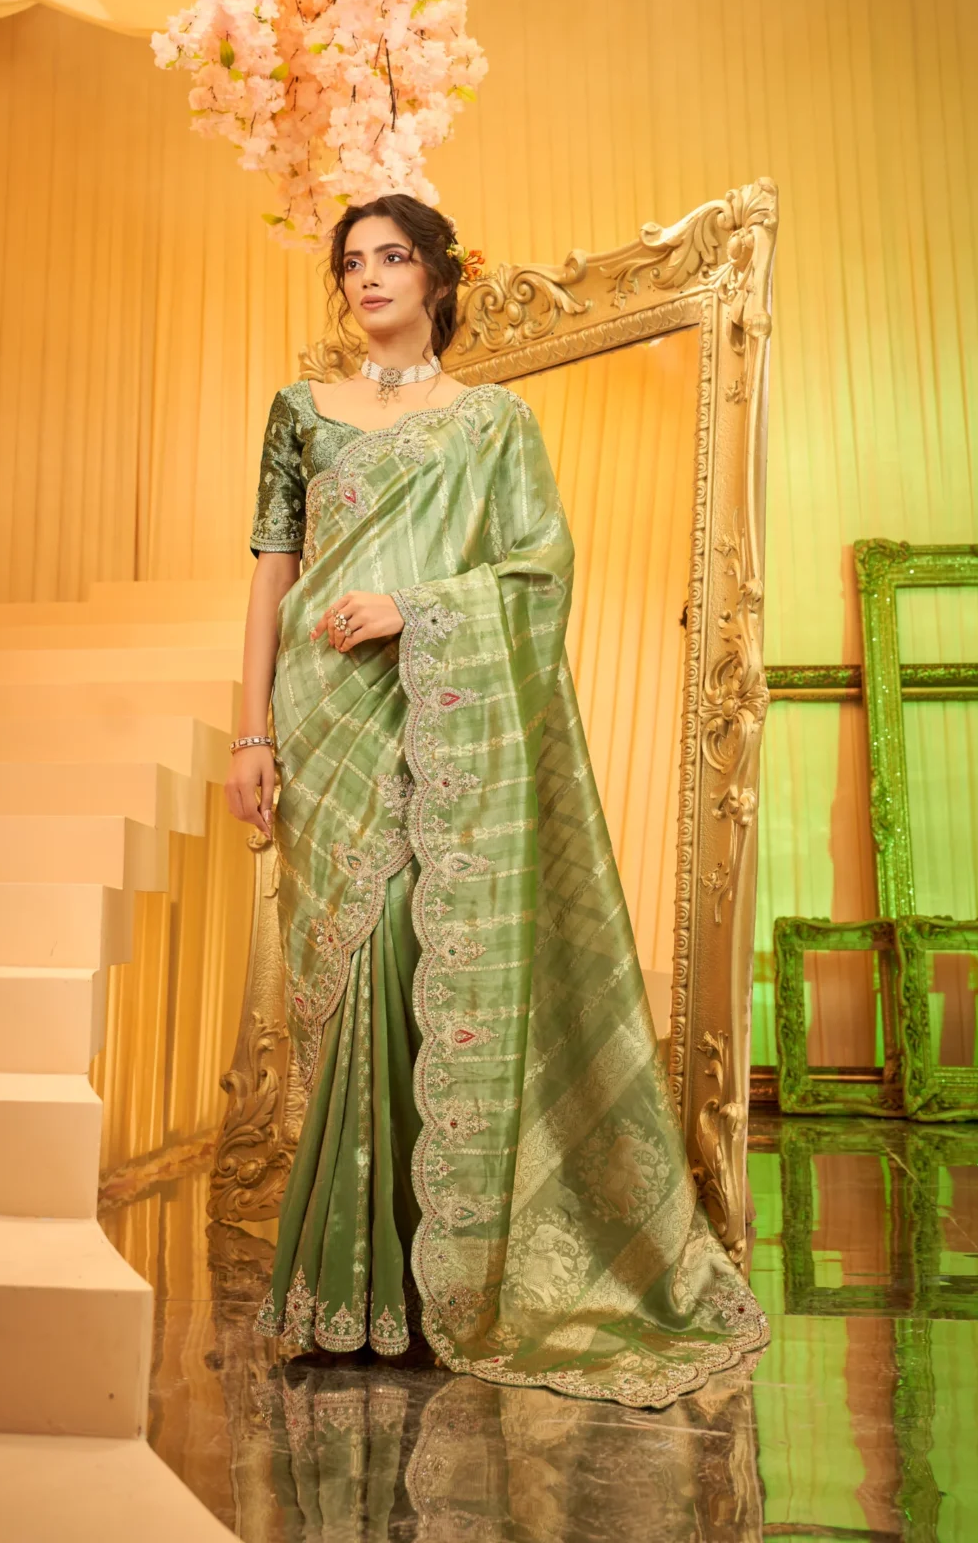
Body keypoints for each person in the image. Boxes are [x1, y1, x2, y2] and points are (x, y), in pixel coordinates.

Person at [226, 193, 768, 1408]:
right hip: (324, 720)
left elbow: (538, 569)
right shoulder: (300, 415)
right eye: (352, 262)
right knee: (344, 977)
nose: (368, 279)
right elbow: (271, 573)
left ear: (436, 278)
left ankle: (436, 1286)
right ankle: (342, 1288)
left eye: (392, 258)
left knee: (423, 956)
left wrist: (414, 609)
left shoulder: (493, 426)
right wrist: (250, 728)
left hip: (434, 718)